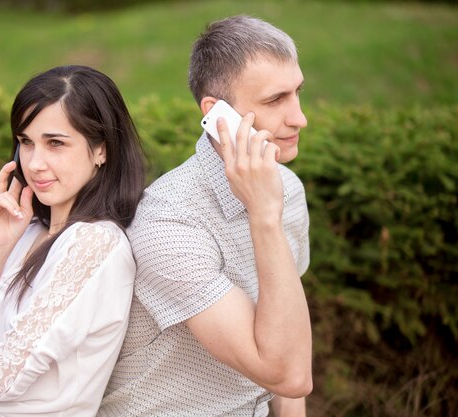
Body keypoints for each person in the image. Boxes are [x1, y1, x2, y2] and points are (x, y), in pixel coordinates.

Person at [98, 15, 312, 417]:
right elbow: (287, 373)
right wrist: (265, 216)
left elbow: (289, 329)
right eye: (275, 100)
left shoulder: (288, 189)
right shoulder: (168, 223)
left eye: (298, 93)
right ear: (217, 114)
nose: (299, 118)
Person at [0, 65, 145, 417]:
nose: (35, 163)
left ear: (101, 149)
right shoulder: (29, 231)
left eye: (55, 143)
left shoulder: (96, 244)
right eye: (26, 142)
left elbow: (0, 380)